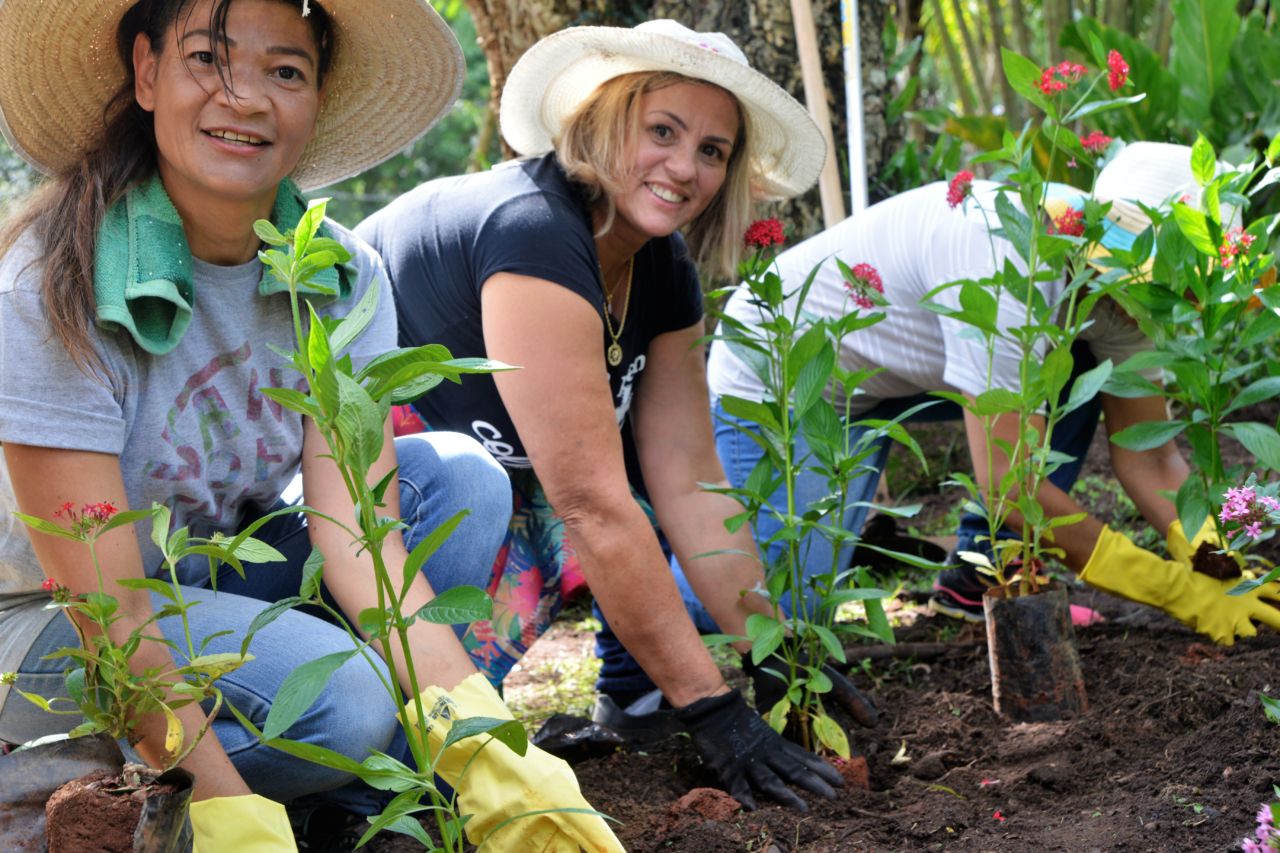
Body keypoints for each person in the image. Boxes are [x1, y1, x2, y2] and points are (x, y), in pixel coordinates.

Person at [0, 1, 621, 850]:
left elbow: (364, 544)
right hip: (47, 622)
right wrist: (227, 820)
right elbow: (107, 610)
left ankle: (361, 806)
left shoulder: (338, 278)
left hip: (207, 587)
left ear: (317, 98)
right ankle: (109, 789)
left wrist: (493, 754)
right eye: (207, 59)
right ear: (145, 72)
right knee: (344, 703)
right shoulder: (53, 282)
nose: (245, 97)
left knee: (460, 481)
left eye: (284, 71)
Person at [359, 19, 855, 812]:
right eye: (663, 131)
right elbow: (588, 503)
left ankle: (404, 744)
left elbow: (691, 480)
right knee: (566, 524)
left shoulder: (661, 270)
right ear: (603, 120)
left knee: (606, 516)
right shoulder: (534, 230)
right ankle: (369, 747)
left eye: (713, 150)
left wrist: (773, 647)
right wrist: (714, 709)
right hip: (351, 491)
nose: (685, 167)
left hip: (477, 485)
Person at [699, 141, 1280, 645]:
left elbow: (1150, 454)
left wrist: (1213, 553)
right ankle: (637, 594)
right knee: (781, 595)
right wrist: (1172, 589)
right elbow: (1010, 482)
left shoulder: (1120, 282)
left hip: (892, 370)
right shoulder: (1008, 266)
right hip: (783, 367)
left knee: (1077, 373)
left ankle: (979, 573)